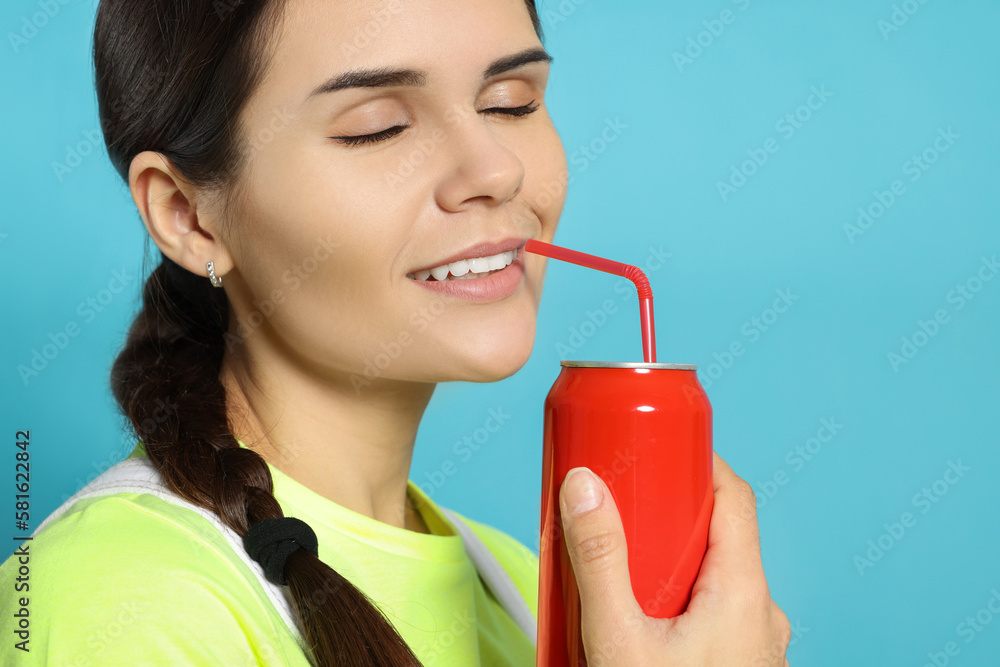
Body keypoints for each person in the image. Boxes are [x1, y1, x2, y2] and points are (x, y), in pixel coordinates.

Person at [0, 0, 791, 664]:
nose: (495, 171)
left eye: (511, 100)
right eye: (378, 126)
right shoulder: (116, 607)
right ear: (187, 215)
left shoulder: (527, 591)